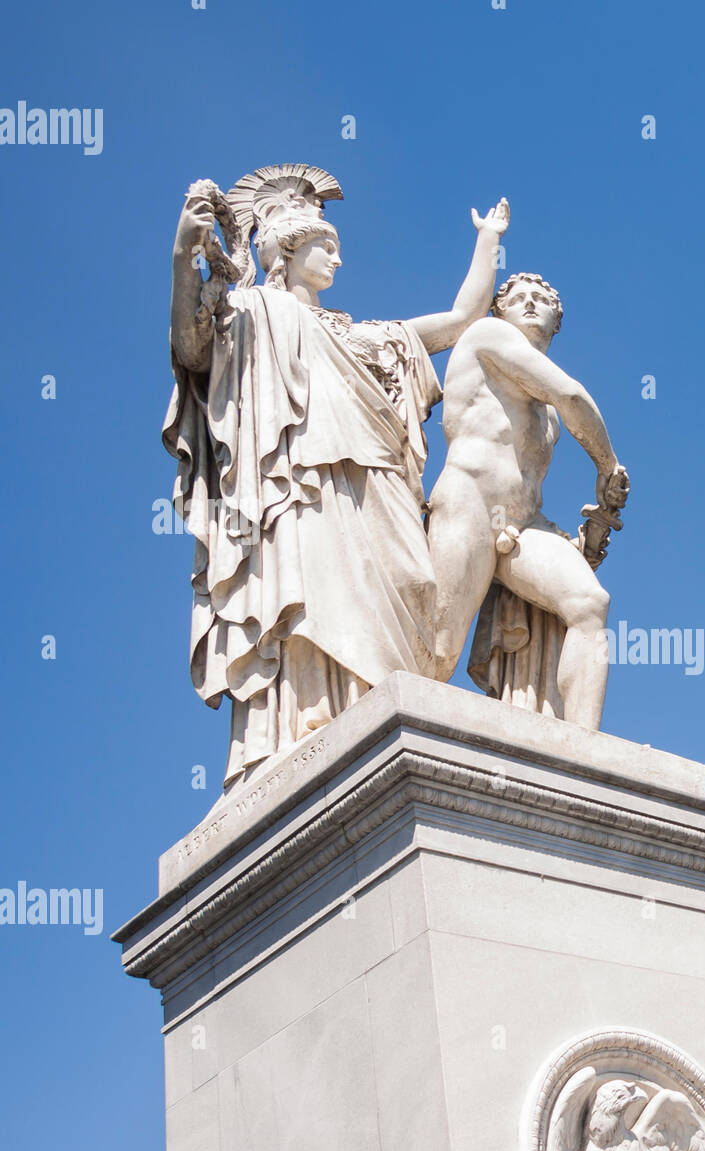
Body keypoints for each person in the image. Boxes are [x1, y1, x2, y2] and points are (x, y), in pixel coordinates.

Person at [165, 164, 509, 787]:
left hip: (380, 477)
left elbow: (462, 320)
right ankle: (312, 717)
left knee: (411, 582)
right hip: (302, 478)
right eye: (327, 248)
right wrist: (183, 256)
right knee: (311, 590)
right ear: (289, 253)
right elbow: (191, 348)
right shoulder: (251, 311)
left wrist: (489, 240)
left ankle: (385, 711)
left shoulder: (371, 335)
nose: (338, 262)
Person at [426, 273, 630, 729]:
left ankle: (584, 755)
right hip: (469, 504)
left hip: (523, 524)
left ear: (558, 321)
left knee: (589, 604)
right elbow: (572, 393)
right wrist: (607, 464)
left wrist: (584, 537)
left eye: (542, 299)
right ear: (500, 312)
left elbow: (528, 474)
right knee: (438, 655)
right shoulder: (488, 335)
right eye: (519, 298)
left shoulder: (550, 417)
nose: (531, 304)